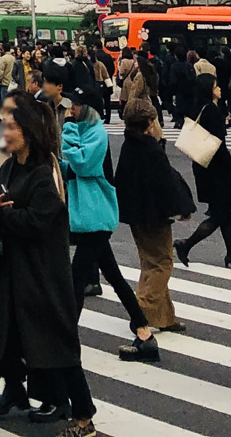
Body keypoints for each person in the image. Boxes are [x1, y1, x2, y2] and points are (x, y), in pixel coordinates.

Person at [0, 93, 95, 437]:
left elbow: (37, 224)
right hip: (9, 273)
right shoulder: (11, 167)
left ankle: (84, 416)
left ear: (28, 132)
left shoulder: (44, 174)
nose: (5, 133)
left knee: (58, 347)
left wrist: (4, 211)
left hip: (40, 277)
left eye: (11, 127)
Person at [60, 90, 158, 362]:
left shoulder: (96, 134)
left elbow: (81, 164)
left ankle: (66, 339)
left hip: (97, 216)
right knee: (113, 277)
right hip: (89, 217)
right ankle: (144, 333)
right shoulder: (85, 132)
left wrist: (66, 130)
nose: (72, 110)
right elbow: (70, 166)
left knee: (76, 278)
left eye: (76, 105)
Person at [113, 95, 190, 340]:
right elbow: (167, 183)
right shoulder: (150, 149)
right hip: (154, 214)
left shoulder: (129, 145)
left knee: (150, 261)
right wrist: (182, 208)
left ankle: (165, 317)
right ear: (149, 123)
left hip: (136, 214)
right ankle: (142, 311)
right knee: (163, 263)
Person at [175, 74, 231, 269]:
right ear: (209, 89)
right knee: (219, 214)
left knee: (224, 212)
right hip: (217, 170)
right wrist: (230, 169)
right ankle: (185, 244)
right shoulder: (211, 111)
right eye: (216, 86)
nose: (220, 89)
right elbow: (219, 144)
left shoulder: (201, 108)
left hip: (205, 166)